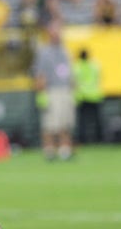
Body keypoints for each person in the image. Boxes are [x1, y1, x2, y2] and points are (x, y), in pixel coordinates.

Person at [32, 20, 75, 161]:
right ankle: (49, 149)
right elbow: (40, 74)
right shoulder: (44, 52)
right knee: (50, 123)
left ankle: (64, 149)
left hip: (64, 89)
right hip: (51, 90)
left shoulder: (64, 50)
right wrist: (41, 92)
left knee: (65, 122)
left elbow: (69, 71)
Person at [73, 49, 104, 143]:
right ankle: (99, 138)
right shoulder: (94, 65)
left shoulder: (77, 66)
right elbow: (100, 77)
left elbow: (74, 81)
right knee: (96, 120)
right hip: (94, 95)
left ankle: (83, 139)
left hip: (82, 96)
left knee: (82, 121)